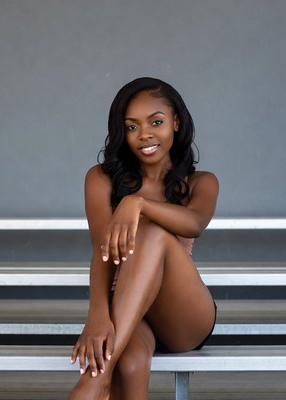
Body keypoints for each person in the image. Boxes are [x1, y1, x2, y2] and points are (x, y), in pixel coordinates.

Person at [68, 77, 218, 400]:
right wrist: (96, 315)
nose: (145, 135)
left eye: (157, 122)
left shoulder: (200, 183)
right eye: (132, 127)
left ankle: (95, 383)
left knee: (151, 231)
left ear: (176, 123)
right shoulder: (100, 180)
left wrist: (137, 204)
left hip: (183, 317)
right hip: (128, 314)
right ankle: (105, 378)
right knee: (130, 363)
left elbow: (194, 223)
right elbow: (102, 252)